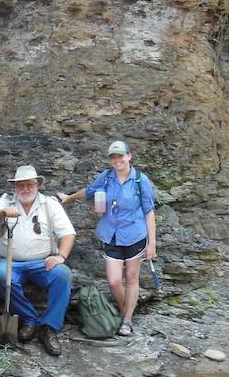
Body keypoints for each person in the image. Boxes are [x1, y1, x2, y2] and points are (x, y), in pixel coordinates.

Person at [58, 140, 156, 336]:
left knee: (132, 278)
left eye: (120, 156)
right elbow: (88, 192)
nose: (117, 160)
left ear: (129, 156)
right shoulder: (106, 177)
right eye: (113, 157)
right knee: (113, 281)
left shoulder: (140, 180)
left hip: (135, 235)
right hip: (111, 235)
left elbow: (149, 211)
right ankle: (125, 310)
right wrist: (69, 198)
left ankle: (127, 320)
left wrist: (152, 243)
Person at [0, 165, 76, 356]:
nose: (25, 189)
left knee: (63, 275)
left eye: (29, 185)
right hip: (11, 261)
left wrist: (60, 256)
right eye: (21, 185)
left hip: (42, 262)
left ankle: (49, 328)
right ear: (15, 187)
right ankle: (30, 319)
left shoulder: (49, 204)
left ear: (37, 185)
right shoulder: (6, 200)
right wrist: (4, 212)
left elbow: (68, 233)